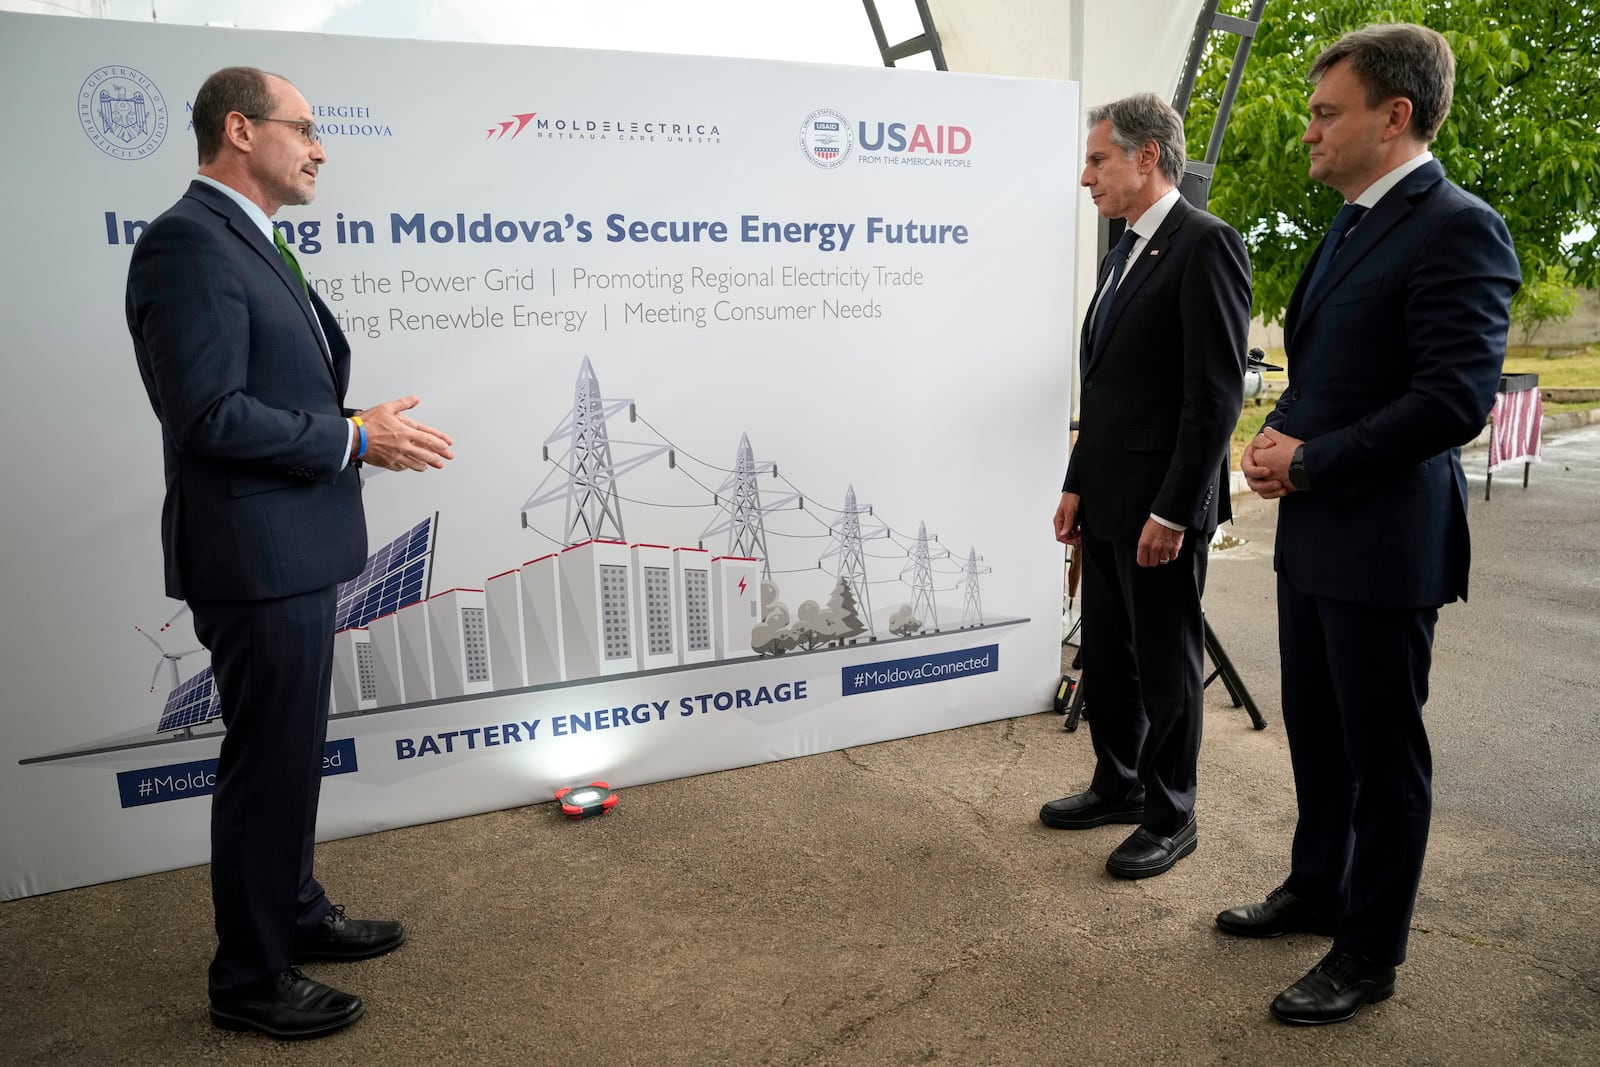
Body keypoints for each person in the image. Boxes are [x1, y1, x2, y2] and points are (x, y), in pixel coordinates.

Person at [126, 66, 456, 1039]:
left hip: (291, 545)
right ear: (239, 129)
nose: (319, 148)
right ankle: (249, 976)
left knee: (290, 752)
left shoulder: (252, 240)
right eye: (305, 128)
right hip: (250, 553)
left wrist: (350, 421)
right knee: (266, 761)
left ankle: (294, 911)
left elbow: (270, 396)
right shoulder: (189, 244)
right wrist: (355, 438)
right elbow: (207, 413)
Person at [1231, 24, 1520, 1025]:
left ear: (1394, 117)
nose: (1308, 131)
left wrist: (1310, 459)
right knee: (1317, 736)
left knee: (1382, 756)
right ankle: (1317, 888)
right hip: (1315, 536)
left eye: (1324, 112)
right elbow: (1339, 373)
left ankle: (1367, 951)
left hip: (1386, 543)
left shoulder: (1458, 227)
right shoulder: (1351, 222)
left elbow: (1452, 400)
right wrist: (1280, 433)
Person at [1042, 94, 1250, 879]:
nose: (1085, 176)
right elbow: (1105, 389)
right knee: (1111, 655)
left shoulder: (1207, 246)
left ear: (1148, 157)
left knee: (1166, 664)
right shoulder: (1120, 251)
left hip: (1162, 507)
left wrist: (1173, 507)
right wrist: (1076, 482)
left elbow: (1214, 397)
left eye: (1098, 159)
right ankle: (1118, 784)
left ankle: (1171, 813)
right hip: (1106, 498)